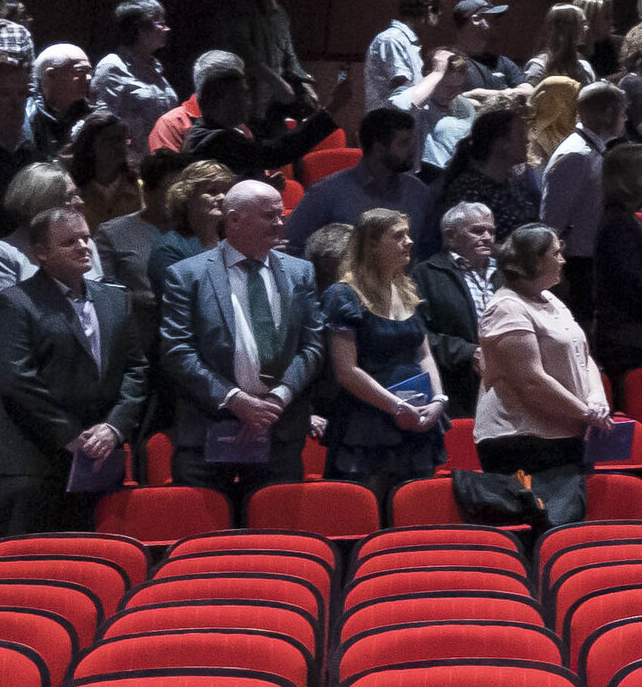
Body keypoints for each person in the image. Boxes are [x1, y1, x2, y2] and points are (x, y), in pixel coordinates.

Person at [152, 175, 320, 514]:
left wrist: (278, 396)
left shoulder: (301, 272)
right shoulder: (187, 275)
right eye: (268, 215)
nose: (280, 222)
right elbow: (177, 351)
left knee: (277, 544)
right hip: (208, 433)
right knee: (204, 547)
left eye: (280, 213)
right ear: (233, 220)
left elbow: (312, 346)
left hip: (280, 432)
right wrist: (235, 400)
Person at [0, 202, 144, 543]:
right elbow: (16, 378)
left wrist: (114, 427)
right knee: (29, 575)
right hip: (33, 460)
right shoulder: (14, 302)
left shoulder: (115, 299)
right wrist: (71, 436)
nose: (84, 247)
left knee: (95, 563)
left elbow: (136, 369)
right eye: (70, 242)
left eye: (86, 238)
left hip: (99, 455)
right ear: (40, 252)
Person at [472, 224, 605, 527]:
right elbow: (530, 381)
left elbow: (584, 359)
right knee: (538, 532)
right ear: (532, 261)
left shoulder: (551, 300)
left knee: (564, 529)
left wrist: (596, 401)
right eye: (555, 253)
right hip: (521, 439)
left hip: (564, 433)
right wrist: (585, 412)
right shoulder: (506, 307)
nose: (563, 259)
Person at [315, 206, 448, 507]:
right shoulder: (344, 295)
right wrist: (395, 405)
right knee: (368, 512)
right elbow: (346, 371)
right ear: (372, 244)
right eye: (399, 236)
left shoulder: (406, 289)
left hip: (415, 419)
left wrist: (439, 401)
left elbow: (423, 353)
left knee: (415, 513)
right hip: (367, 425)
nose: (410, 242)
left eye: (408, 235)